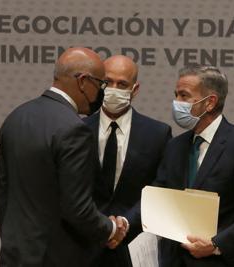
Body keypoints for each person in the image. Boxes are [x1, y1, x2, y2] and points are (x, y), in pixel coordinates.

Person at [0, 47, 127, 267]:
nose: (102, 93)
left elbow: (3, 192)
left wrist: (15, 242)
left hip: (14, 255)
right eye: (101, 84)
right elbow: (77, 209)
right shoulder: (74, 129)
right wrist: (112, 229)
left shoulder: (16, 117)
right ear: (83, 81)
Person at [154, 64, 234, 267]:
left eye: (184, 96)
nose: (177, 103)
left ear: (210, 103)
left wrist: (215, 244)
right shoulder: (175, 146)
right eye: (176, 95)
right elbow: (159, 194)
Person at [83, 55, 172, 267]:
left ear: (135, 88)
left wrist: (123, 224)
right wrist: (100, 226)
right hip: (84, 245)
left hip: (133, 245)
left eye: (122, 84)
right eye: (107, 82)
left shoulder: (157, 134)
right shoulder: (77, 130)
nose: (113, 88)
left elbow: (161, 187)